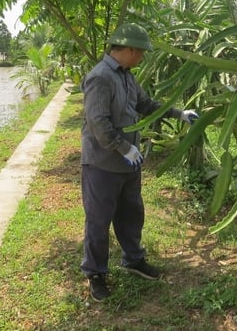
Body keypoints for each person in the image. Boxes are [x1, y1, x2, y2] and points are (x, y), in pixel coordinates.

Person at [79, 23, 199, 302]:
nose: (143, 57)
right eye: (141, 52)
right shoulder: (101, 77)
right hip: (102, 163)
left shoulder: (126, 76)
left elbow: (145, 104)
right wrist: (124, 148)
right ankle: (96, 274)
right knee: (99, 220)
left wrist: (179, 113)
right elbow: (98, 122)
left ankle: (133, 259)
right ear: (130, 49)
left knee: (131, 213)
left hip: (127, 163)